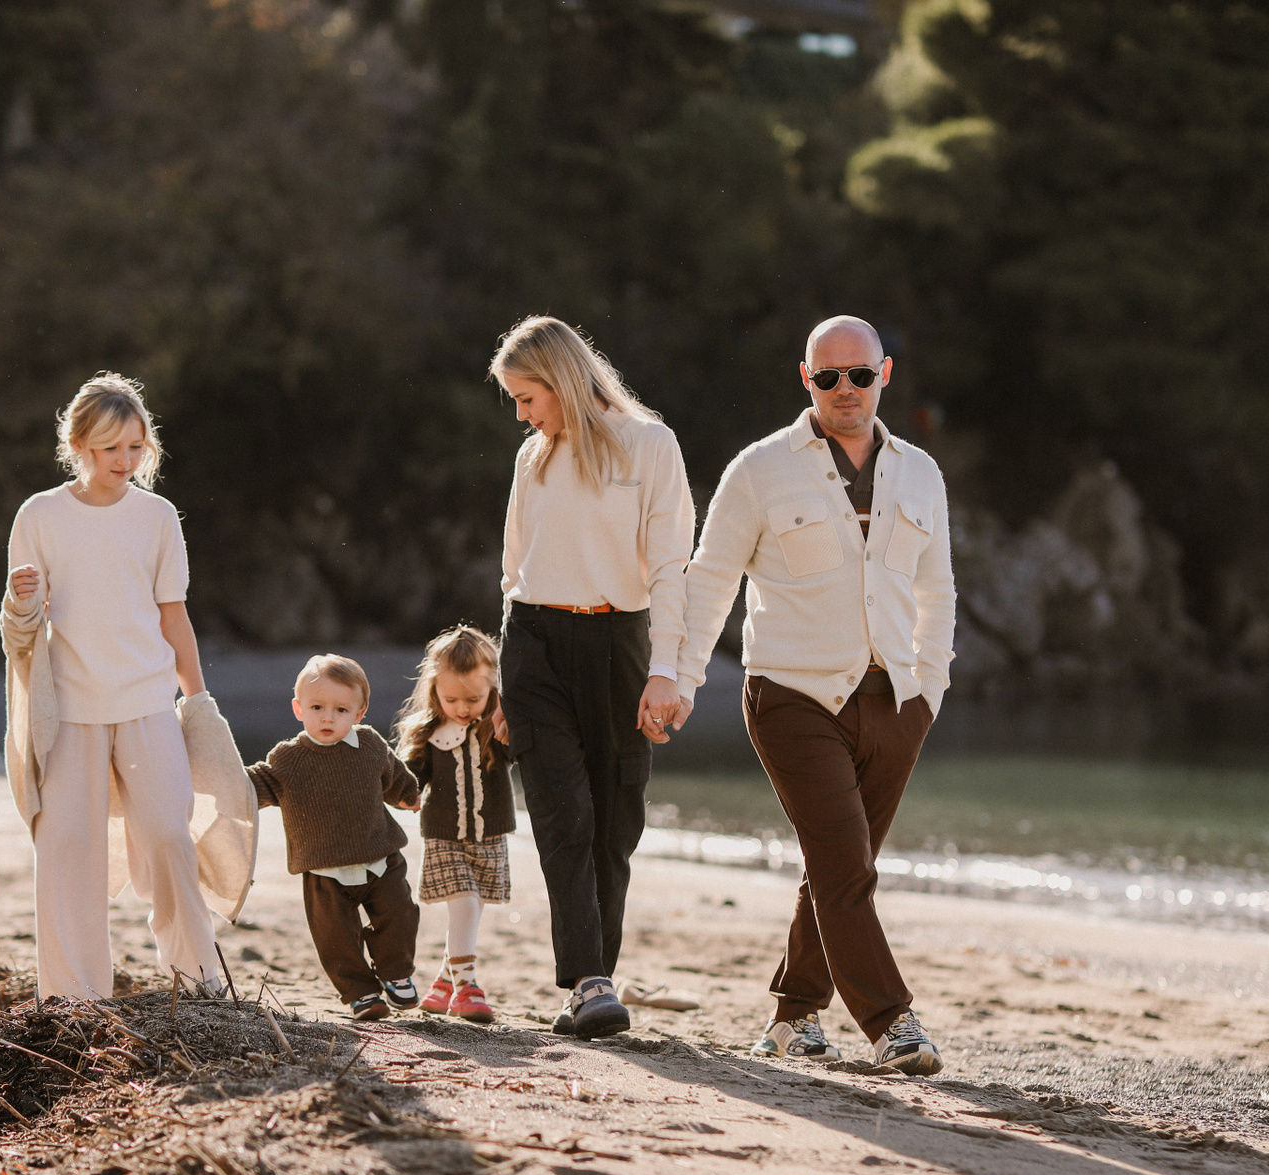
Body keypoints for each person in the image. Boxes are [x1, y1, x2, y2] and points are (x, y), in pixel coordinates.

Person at [676, 316, 956, 1074]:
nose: (844, 389)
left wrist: (928, 689)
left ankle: (793, 1017)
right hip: (791, 697)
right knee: (844, 865)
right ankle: (891, 1022)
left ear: (884, 375)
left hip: (895, 701)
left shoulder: (921, 473)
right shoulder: (760, 469)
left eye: (859, 375)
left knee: (839, 865)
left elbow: (937, 589)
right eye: (828, 377)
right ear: (806, 379)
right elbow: (710, 579)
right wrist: (680, 678)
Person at [1, 372, 255, 1002]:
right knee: (66, 850)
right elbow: (22, 629)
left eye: (136, 447)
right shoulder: (39, 515)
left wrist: (198, 699)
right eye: (111, 447)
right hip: (68, 710)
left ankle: (199, 982)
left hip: (147, 701)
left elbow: (174, 616)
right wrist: (20, 600)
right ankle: (73, 997)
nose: (125, 460)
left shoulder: (157, 517)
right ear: (78, 446)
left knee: (169, 835)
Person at [492, 316, 695, 1040]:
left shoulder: (652, 446)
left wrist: (665, 672)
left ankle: (595, 981)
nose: (522, 416)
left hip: (621, 646)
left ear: (563, 381)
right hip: (534, 644)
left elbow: (671, 568)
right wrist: (504, 683)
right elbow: (514, 570)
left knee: (615, 822)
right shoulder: (533, 458)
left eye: (528, 398)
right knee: (563, 814)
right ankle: (588, 979)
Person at [246, 654, 423, 1021]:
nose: (328, 718)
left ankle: (396, 972)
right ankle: (361, 993)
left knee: (400, 915)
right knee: (335, 939)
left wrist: (408, 795)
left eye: (341, 710)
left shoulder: (370, 745)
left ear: (359, 713)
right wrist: (226, 778)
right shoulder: (288, 759)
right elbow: (257, 784)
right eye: (317, 707)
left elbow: (393, 775)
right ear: (298, 709)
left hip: (381, 858)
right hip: (323, 871)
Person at [394, 624, 515, 1024]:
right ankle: (467, 989)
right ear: (434, 691)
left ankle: (443, 984)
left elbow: (528, 756)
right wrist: (405, 794)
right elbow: (410, 776)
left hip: (489, 837)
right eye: (451, 699)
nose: (462, 708)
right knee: (463, 904)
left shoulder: (499, 729)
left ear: (493, 688)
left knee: (471, 911)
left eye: (474, 699)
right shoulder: (428, 733)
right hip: (443, 836)